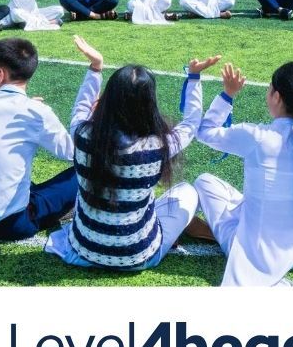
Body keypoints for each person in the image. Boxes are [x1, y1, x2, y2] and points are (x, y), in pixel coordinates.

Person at [44, 36, 219, 271]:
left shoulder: (83, 135)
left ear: (108, 99)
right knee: (188, 191)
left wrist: (96, 67)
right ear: (149, 104)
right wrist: (194, 78)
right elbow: (190, 124)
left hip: (83, 249)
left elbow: (81, 108)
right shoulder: (158, 145)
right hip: (139, 256)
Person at [187, 61, 293, 286]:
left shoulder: (257, 137)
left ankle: (216, 234)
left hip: (257, 255)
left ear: (277, 97)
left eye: (269, 89)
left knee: (203, 181)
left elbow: (205, 131)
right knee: (233, 195)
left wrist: (228, 95)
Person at [0, 38, 82, 240]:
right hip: (12, 225)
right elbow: (72, 153)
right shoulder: (36, 112)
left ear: (0, 74)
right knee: (84, 169)